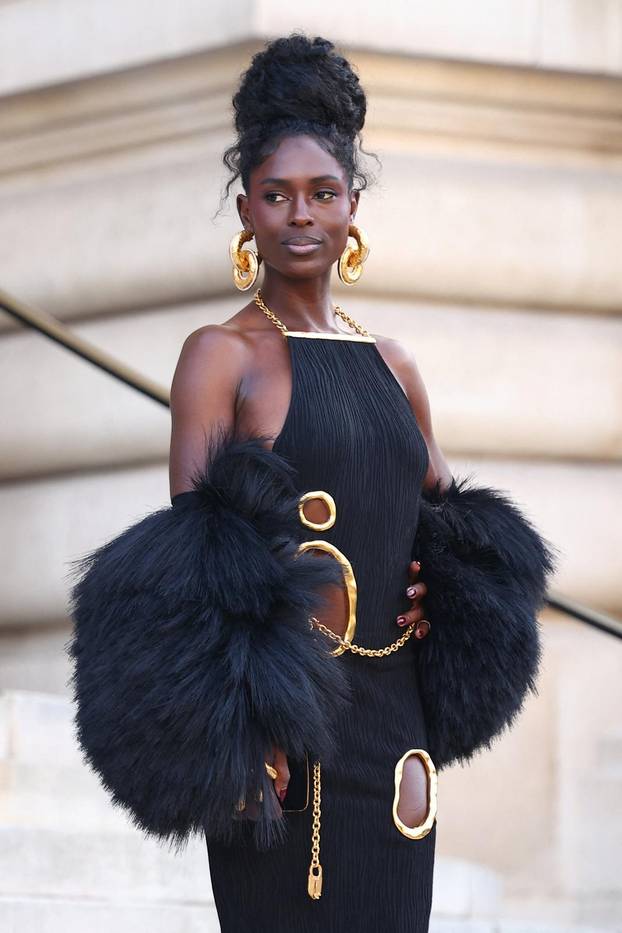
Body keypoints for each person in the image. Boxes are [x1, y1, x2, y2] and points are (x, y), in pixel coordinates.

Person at [168, 33, 450, 932]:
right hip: (278, 738)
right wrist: (250, 728)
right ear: (244, 210)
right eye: (276, 194)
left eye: (323, 193)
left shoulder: (394, 365)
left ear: (353, 207)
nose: (301, 215)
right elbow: (195, 558)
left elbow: (446, 520)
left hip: (394, 733)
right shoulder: (219, 356)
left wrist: (442, 588)